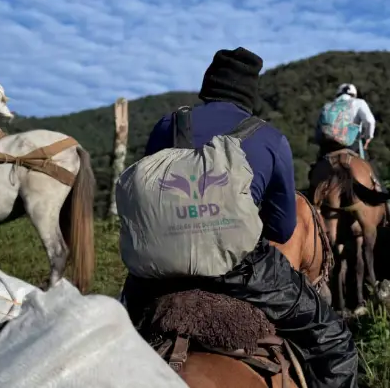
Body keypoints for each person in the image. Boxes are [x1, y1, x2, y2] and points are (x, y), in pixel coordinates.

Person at [119, 47, 358, 388]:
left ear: (208, 87)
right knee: (335, 344)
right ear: (250, 94)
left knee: (108, 334)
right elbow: (282, 227)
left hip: (157, 270)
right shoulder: (271, 139)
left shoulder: (166, 126)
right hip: (239, 270)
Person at [314, 83, 390, 238]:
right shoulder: (358, 103)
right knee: (377, 182)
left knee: (315, 175)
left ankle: (313, 210)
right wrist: (368, 137)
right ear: (354, 94)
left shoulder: (328, 106)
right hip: (352, 146)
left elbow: (318, 131)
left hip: (328, 150)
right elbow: (369, 121)